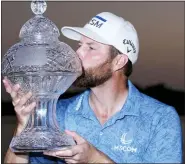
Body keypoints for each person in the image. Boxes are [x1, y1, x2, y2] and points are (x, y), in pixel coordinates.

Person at [4, 12, 182, 163]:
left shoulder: (159, 118)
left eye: (91, 47)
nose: (78, 53)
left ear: (118, 61)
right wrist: (23, 129)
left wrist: (94, 159)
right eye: (80, 45)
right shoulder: (57, 114)